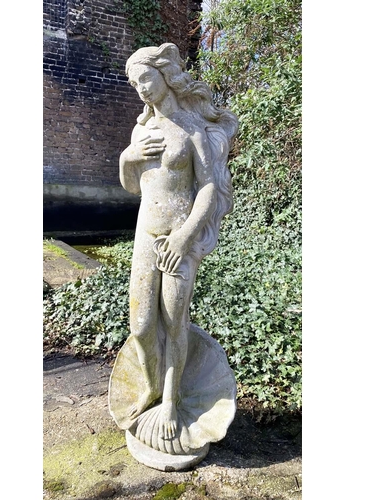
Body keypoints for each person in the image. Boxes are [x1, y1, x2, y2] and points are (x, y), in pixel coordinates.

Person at [119, 43, 238, 442]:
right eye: (135, 84)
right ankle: (152, 388)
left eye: (145, 78)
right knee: (140, 325)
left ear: (165, 75)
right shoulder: (141, 131)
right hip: (145, 233)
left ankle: (170, 399)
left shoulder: (190, 128)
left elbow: (207, 188)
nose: (141, 88)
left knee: (174, 320)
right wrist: (128, 157)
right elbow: (133, 186)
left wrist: (185, 237)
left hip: (177, 237)